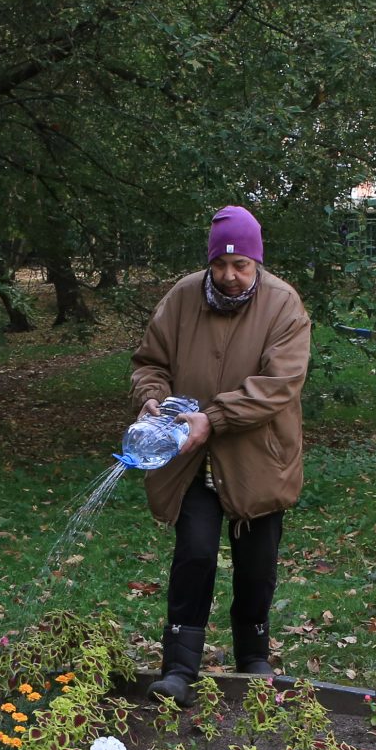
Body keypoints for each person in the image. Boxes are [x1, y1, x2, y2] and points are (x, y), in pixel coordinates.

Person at [128, 205, 310, 704]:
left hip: (258, 459)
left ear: (257, 262)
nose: (230, 276)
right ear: (210, 263)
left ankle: (253, 658)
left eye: (242, 265)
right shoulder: (182, 297)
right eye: (221, 265)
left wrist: (215, 418)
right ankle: (179, 667)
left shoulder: (283, 305)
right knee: (195, 555)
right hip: (189, 459)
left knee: (257, 564)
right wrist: (151, 394)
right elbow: (150, 361)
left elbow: (279, 384)